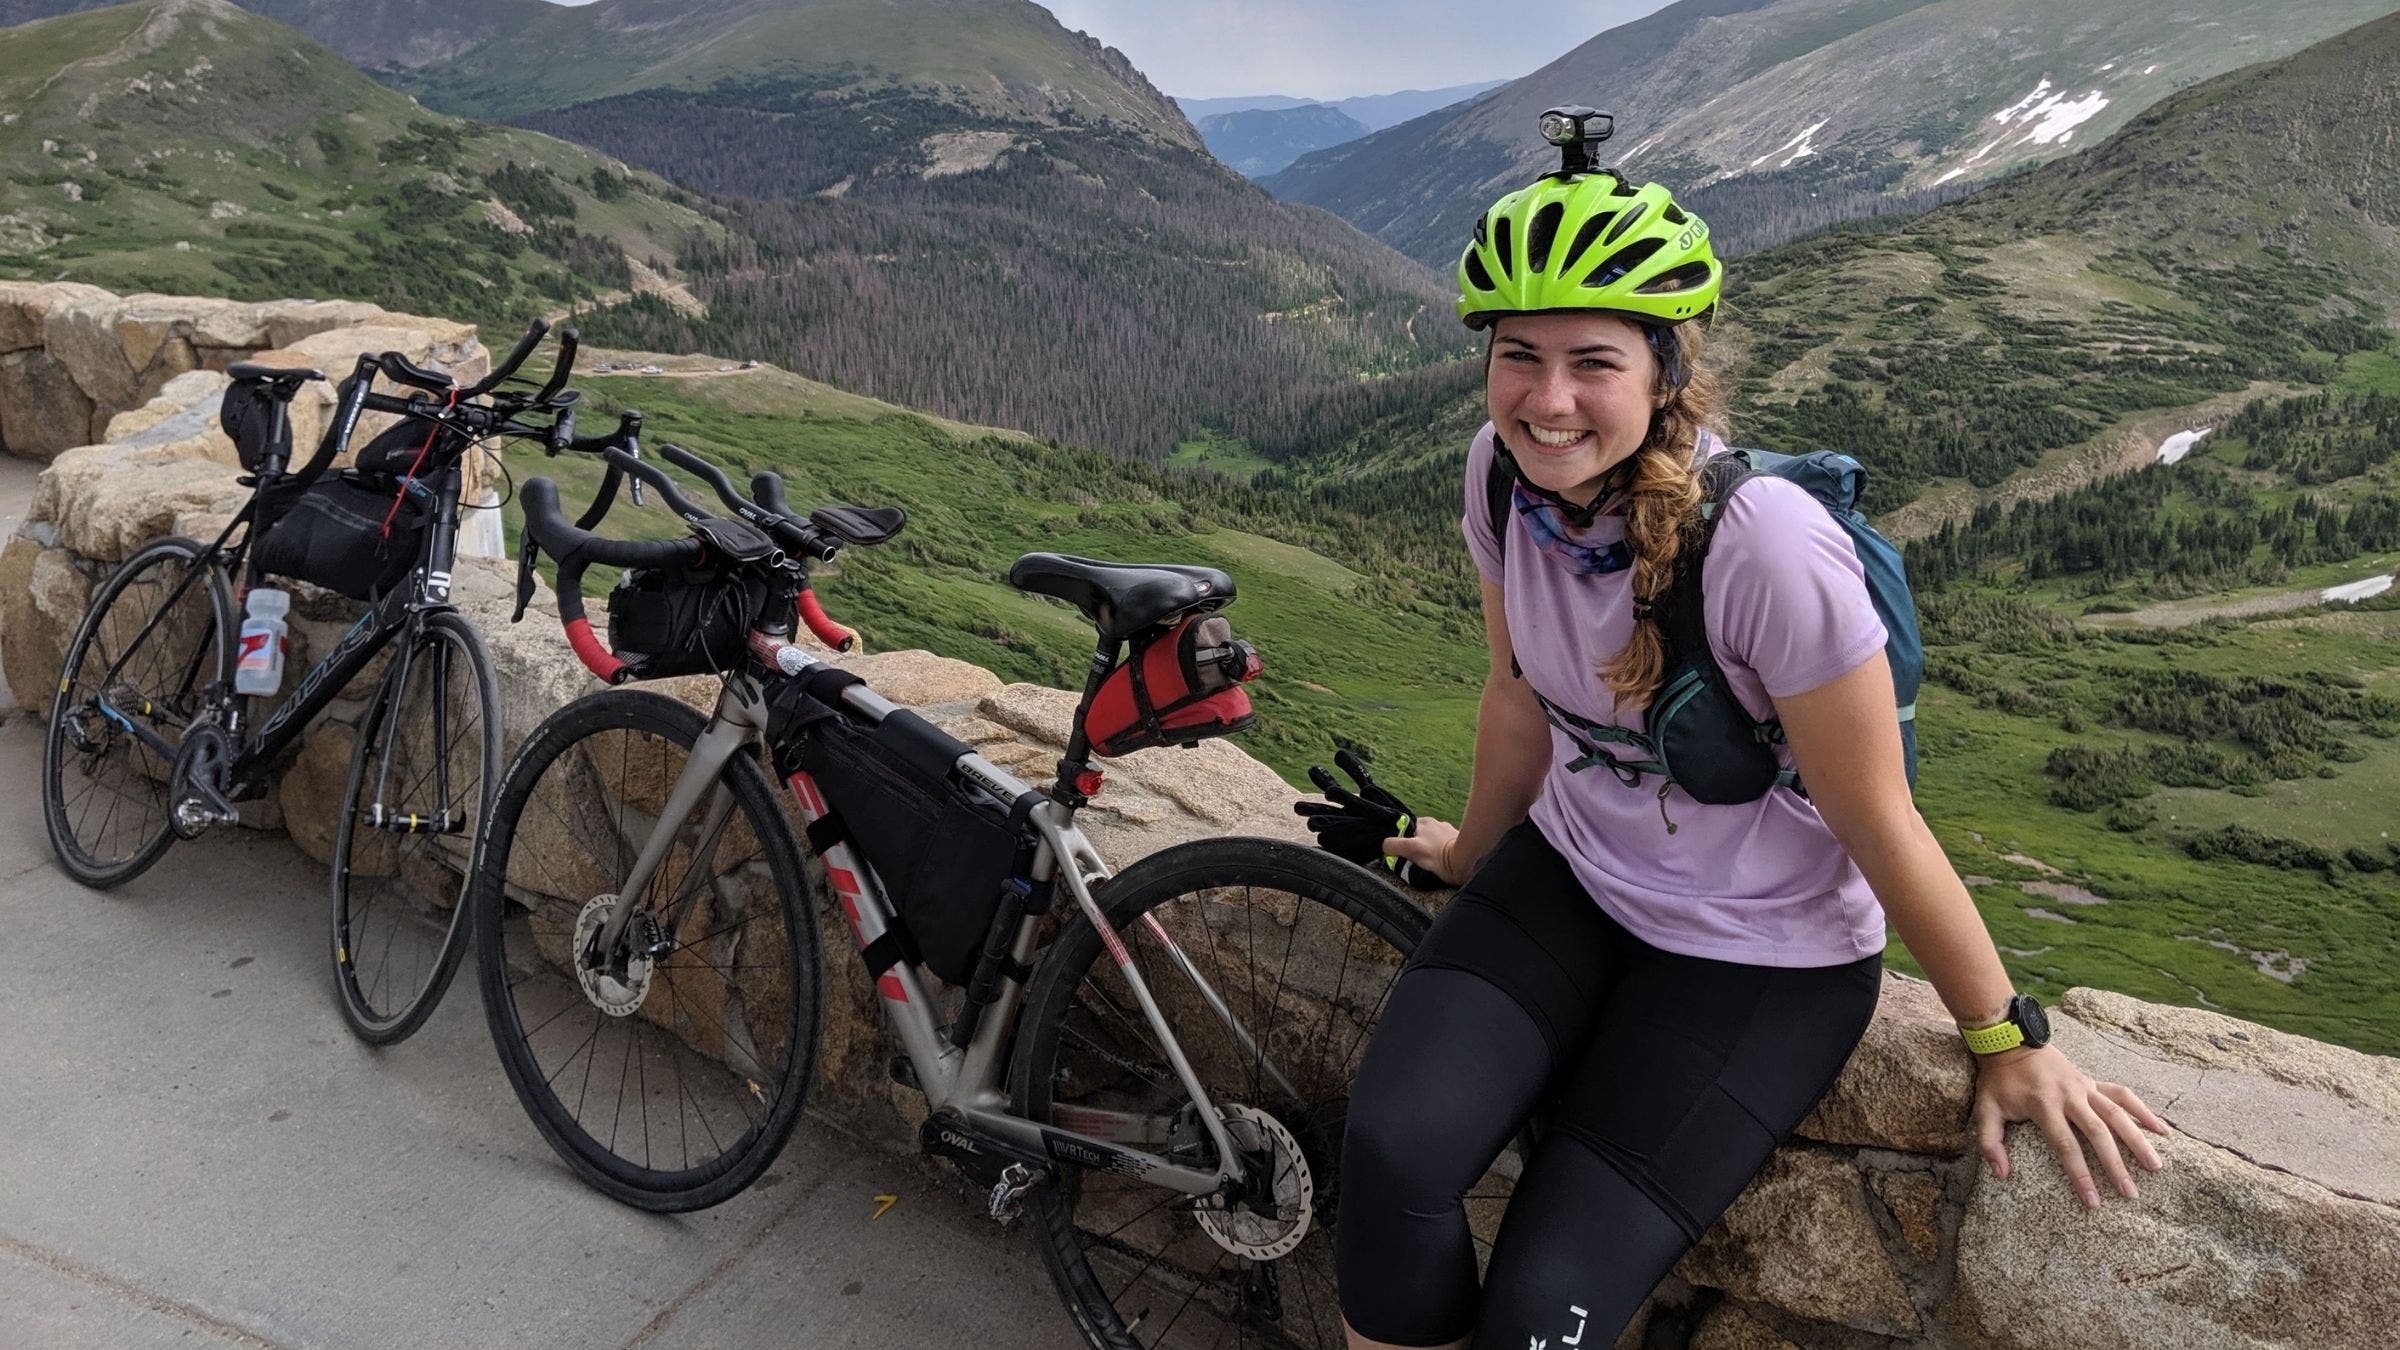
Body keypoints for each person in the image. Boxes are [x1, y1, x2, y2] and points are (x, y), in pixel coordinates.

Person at [1329, 119, 2168, 1350]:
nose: (1547, 400)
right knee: (1391, 1160)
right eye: (1519, 357)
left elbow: (1875, 817)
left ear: (1667, 372)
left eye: (1592, 362)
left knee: (1537, 1316)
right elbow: (1517, 697)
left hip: (1760, 957)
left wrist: (2007, 1039)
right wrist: (1471, 856)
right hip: (1571, 872)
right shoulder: (1499, 479)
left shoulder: (1768, 546)